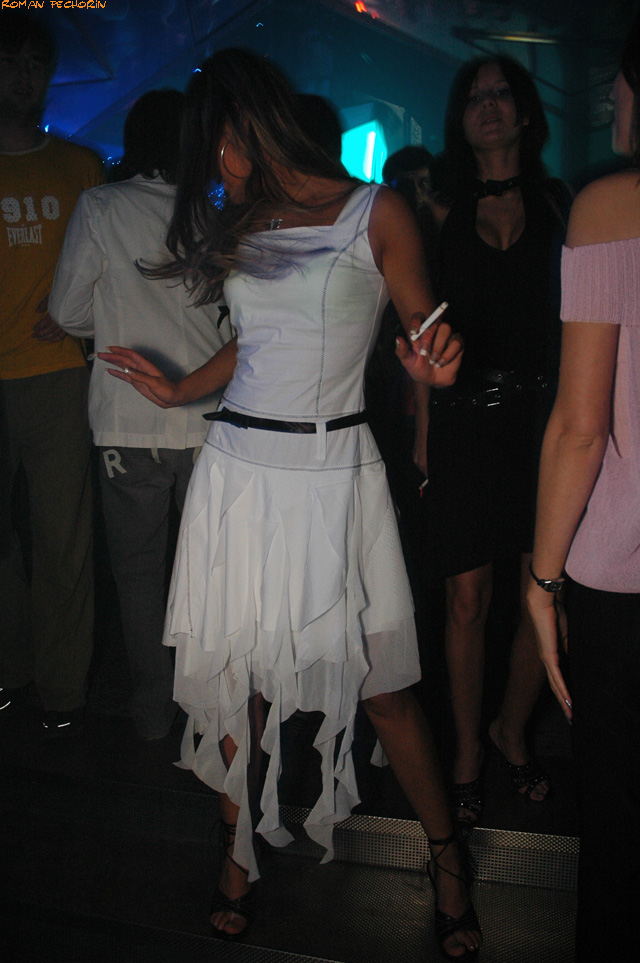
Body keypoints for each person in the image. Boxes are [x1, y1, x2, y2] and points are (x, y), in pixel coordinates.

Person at [98, 48, 481, 961]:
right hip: (239, 471)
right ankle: (237, 854)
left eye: (217, 147)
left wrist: (435, 367)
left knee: (385, 691)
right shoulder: (246, 220)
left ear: (248, 126)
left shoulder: (373, 211)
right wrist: (180, 386)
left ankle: (447, 857)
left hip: (332, 472)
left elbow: (427, 333)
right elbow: (255, 339)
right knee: (244, 685)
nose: (215, 168)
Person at [48, 90, 233, 741]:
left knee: (137, 573)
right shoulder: (216, 216)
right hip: (210, 418)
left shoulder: (102, 206)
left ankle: (154, 711)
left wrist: (116, 319)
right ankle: (216, 709)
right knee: (211, 570)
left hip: (128, 418)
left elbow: (67, 310)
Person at [424, 55, 571, 832]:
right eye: (474, 95)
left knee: (541, 589)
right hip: (463, 423)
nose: (488, 104)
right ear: (459, 116)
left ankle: (512, 729)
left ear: (525, 110)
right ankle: (465, 753)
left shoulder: (559, 202)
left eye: (501, 92)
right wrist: (421, 441)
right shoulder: (437, 207)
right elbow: (416, 335)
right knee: (467, 598)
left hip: (543, 422)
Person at [527, 14, 640, 962]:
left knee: (621, 827)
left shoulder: (612, 206)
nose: (609, 95)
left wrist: (541, 576)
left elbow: (580, 425)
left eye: (621, 78)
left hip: (625, 580)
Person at [0, 12, 103, 735]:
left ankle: (63, 690)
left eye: (36, 63)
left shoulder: (82, 169)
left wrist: (78, 316)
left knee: (63, 537)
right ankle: (10, 669)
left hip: (56, 374)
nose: (24, 76)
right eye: (10, 61)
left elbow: (114, 273)